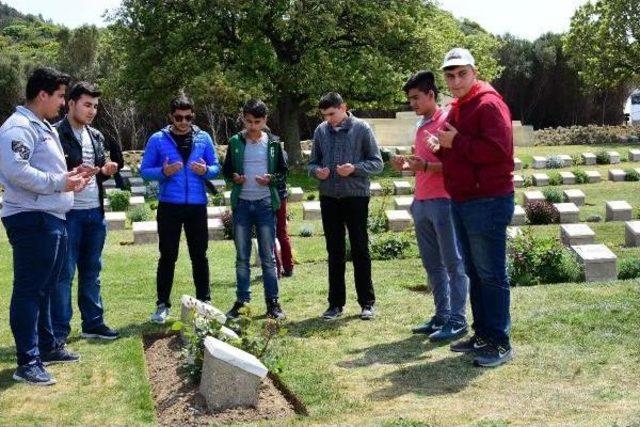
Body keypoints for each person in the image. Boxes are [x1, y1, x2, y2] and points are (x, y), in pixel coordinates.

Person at [0, 67, 89, 385]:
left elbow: (46, 172)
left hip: (51, 216)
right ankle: (28, 361)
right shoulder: (18, 127)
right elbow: (16, 172)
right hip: (31, 218)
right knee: (30, 289)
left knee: (47, 287)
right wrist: (59, 182)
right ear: (43, 95)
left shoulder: (41, 126)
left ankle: (48, 347)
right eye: (62, 96)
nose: (64, 103)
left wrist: (71, 177)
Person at [428, 48, 515, 367]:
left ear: (474, 72)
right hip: (463, 199)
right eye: (450, 75)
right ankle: (483, 333)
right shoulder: (458, 108)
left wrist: (456, 144)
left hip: (488, 200)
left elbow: (498, 150)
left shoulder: (489, 104)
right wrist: (444, 148)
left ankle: (500, 341)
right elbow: (459, 149)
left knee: (491, 273)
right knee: (475, 272)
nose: (455, 80)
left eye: (461, 73)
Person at [393, 71, 469, 342]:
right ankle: (442, 315)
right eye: (409, 99)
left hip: (444, 201)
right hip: (422, 201)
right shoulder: (421, 124)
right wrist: (407, 165)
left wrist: (425, 166)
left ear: (431, 95)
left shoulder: (447, 120)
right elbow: (423, 163)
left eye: (416, 98)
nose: (412, 103)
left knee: (453, 263)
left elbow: (456, 164)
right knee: (432, 264)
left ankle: (458, 320)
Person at [140, 94, 221, 324]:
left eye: (187, 117)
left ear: (193, 116)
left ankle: (205, 302)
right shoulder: (157, 139)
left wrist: (206, 170)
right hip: (169, 205)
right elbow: (145, 171)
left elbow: (216, 168)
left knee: (200, 255)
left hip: (196, 205)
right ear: (170, 116)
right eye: (178, 117)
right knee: (168, 255)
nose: (183, 122)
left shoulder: (203, 138)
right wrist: (163, 173)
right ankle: (162, 305)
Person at [52, 81, 122, 343]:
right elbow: (52, 173)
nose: (92, 111)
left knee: (92, 271)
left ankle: (93, 323)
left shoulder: (97, 136)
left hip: (95, 212)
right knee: (64, 273)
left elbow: (99, 169)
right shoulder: (55, 134)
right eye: (87, 105)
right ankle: (59, 332)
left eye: (95, 106)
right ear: (71, 104)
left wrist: (105, 170)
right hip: (68, 213)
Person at [308, 92, 383, 321]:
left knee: (360, 249)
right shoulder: (321, 131)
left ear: (343, 107)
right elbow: (312, 163)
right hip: (329, 197)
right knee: (334, 251)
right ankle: (335, 304)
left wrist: (355, 168)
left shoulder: (362, 129)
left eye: (332, 113)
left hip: (356, 197)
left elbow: (377, 163)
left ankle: (367, 303)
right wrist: (316, 172)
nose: (329, 119)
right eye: (325, 115)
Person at [222, 99, 287, 320]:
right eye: (248, 121)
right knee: (242, 257)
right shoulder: (235, 141)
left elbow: (282, 173)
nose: (252, 126)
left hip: (265, 204)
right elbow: (227, 169)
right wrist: (234, 177)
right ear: (243, 118)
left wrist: (270, 178)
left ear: (265, 120)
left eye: (257, 122)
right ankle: (242, 302)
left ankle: (273, 303)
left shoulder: (274, 144)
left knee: (267, 257)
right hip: (242, 204)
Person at [275, 149, 294, 278]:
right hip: (281, 195)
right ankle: (288, 267)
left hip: (270, 195)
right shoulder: (282, 151)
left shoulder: (268, 150)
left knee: (269, 234)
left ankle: (275, 268)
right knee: (282, 232)